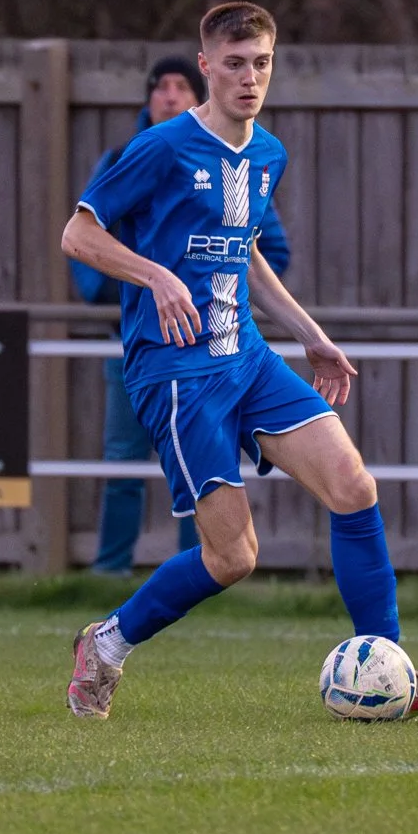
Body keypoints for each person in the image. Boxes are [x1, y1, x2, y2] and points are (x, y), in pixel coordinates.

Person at [59, 0, 418, 720]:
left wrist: (308, 330)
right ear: (204, 68)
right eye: (233, 64)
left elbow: (244, 249)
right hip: (178, 372)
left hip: (247, 357)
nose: (249, 77)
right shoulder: (162, 147)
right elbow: (78, 234)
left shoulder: (266, 154)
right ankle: (106, 643)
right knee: (234, 557)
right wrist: (155, 275)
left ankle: (391, 671)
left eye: (260, 63)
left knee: (352, 484)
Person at [73, 57, 290, 573]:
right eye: (160, 87)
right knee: (123, 460)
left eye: (179, 87)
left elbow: (262, 249)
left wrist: (228, 287)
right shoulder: (134, 154)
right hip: (145, 344)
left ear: (199, 92)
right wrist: (138, 286)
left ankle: (198, 568)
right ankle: (110, 570)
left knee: (212, 480)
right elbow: (84, 237)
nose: (169, 96)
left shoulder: (253, 158)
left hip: (222, 348)